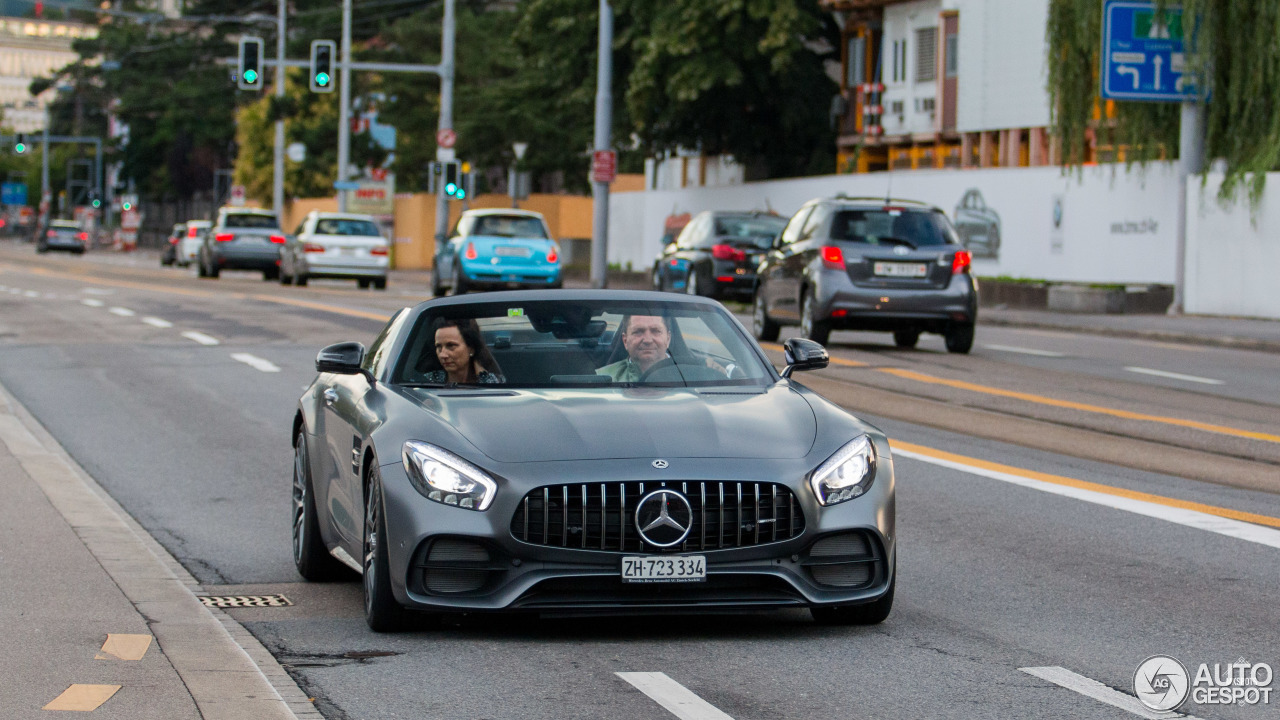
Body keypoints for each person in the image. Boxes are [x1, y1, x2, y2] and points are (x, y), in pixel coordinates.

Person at [423, 318, 505, 384]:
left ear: (471, 348)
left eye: (451, 346)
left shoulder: (493, 383)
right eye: (439, 346)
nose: (442, 355)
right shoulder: (426, 382)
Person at [596, 314, 672, 382]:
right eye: (638, 332)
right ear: (625, 341)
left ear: (668, 339)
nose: (647, 340)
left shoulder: (682, 375)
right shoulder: (602, 378)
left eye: (656, 331)